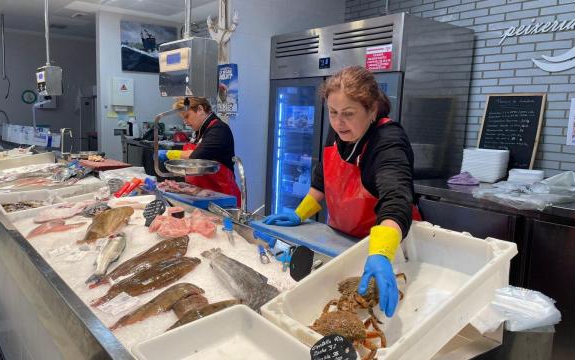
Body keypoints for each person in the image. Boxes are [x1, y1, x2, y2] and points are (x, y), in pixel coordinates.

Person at [263, 66, 420, 318]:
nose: (338, 122)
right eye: (333, 113)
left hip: (387, 250)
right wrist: (299, 214)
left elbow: (396, 198)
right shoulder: (338, 132)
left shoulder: (388, 140)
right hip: (343, 243)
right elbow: (322, 181)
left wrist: (380, 253)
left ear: (372, 110)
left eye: (348, 113)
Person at [158, 97, 242, 204]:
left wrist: (170, 154)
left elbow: (196, 156)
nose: (185, 122)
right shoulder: (199, 131)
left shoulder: (219, 129)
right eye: (183, 118)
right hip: (201, 194)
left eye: (187, 116)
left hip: (221, 196)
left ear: (200, 109)